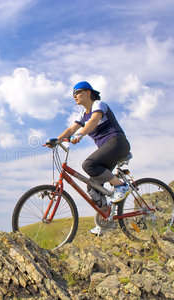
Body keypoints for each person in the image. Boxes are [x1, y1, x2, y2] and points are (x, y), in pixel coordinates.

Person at [54, 81, 131, 235]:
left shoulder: (99, 105)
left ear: (88, 92)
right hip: (107, 149)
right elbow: (71, 128)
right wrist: (55, 140)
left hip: (117, 143)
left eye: (78, 92)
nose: (74, 96)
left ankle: (121, 186)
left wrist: (81, 134)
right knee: (93, 186)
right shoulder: (83, 114)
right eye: (73, 94)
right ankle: (106, 221)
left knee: (89, 164)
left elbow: (94, 121)